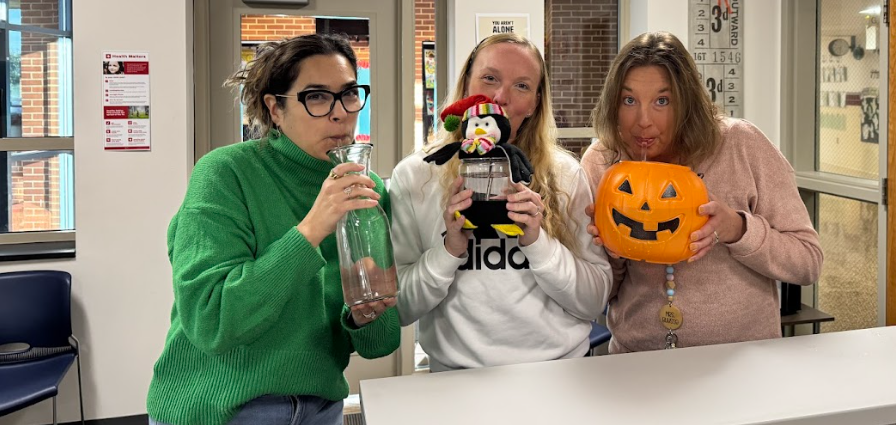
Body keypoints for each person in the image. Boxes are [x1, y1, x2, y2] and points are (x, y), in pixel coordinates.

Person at [146, 34, 400, 425]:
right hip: (219, 409)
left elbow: (380, 344)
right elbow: (212, 322)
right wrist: (312, 229)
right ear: (275, 109)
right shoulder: (225, 173)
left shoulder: (368, 190)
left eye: (350, 94)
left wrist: (366, 316)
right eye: (317, 97)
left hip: (320, 407)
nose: (340, 113)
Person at [582, 31, 823, 353]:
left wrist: (738, 229)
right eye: (629, 101)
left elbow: (807, 262)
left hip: (742, 358)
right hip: (638, 358)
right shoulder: (602, 161)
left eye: (662, 101)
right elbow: (596, 296)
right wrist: (611, 252)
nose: (643, 121)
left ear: (687, 101)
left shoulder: (741, 144)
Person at [390, 33, 613, 372]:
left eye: (521, 86)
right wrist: (449, 251)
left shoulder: (565, 175)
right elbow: (399, 308)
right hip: (456, 379)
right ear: (466, 86)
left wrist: (537, 242)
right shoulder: (416, 176)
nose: (500, 97)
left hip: (560, 373)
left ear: (535, 103)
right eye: (489, 78)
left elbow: (594, 300)